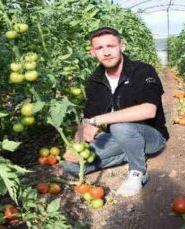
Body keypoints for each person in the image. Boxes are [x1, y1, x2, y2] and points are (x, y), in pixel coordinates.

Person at [63, 27, 169, 197]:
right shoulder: (94, 81)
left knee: (119, 126)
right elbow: (88, 118)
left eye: (111, 46)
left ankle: (137, 172)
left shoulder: (142, 71)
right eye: (99, 48)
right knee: (72, 166)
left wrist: (98, 120)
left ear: (122, 46)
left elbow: (149, 110)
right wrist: (76, 145)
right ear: (92, 53)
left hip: (152, 136)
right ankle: (132, 153)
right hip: (116, 136)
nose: (106, 53)